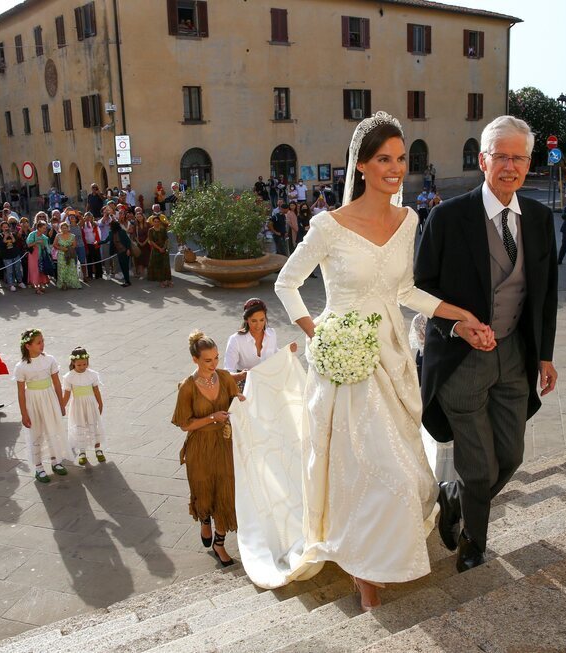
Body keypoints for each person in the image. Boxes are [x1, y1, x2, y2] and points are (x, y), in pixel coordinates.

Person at [237, 112, 491, 612]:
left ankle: (375, 558)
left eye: (401, 159)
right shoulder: (328, 226)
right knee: (367, 470)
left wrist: (460, 315)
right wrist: (318, 334)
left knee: (401, 472)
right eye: (384, 159)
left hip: (393, 356)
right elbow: (286, 283)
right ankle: (367, 578)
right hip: (344, 367)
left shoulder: (408, 220)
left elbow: (405, 290)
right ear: (362, 165)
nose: (395, 169)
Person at [415, 115, 558, 575]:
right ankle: (475, 543)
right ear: (483, 160)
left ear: (529, 162)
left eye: (519, 157)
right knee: (478, 467)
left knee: (511, 456)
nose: (510, 166)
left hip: (515, 356)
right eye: (501, 156)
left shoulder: (538, 218)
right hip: (462, 363)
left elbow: (547, 291)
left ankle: (455, 496)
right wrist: (456, 328)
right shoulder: (448, 217)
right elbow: (421, 288)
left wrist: (545, 355)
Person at [171, 331, 245, 567]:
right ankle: (204, 520)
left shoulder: (224, 378)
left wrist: (244, 402)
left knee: (225, 492)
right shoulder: (187, 387)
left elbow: (238, 402)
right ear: (195, 360)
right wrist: (212, 417)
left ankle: (219, 543)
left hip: (225, 444)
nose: (214, 364)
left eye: (216, 358)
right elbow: (185, 425)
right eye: (207, 360)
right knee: (203, 491)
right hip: (200, 447)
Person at [15, 328, 69, 483]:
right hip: (33, 400)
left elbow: (57, 383)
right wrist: (24, 413)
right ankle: (38, 466)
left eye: (43, 341)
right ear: (28, 346)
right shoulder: (22, 367)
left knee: (52, 427)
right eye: (38, 342)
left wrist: (61, 403)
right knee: (36, 432)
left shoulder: (49, 360)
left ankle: (55, 460)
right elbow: (20, 392)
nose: (42, 344)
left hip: (49, 398)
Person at [223, 297, 297, 387]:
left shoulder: (271, 334)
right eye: (254, 321)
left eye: (262, 320)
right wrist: (241, 375)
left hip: (268, 379)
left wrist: (287, 350)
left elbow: (274, 355)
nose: (258, 325)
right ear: (246, 320)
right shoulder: (235, 340)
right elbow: (227, 373)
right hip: (245, 383)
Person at [61, 347, 106, 466]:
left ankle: (98, 449)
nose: (82, 367)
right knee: (80, 426)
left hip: (91, 404)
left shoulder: (92, 375)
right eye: (79, 365)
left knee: (94, 425)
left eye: (84, 364)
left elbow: (96, 390)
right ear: (73, 363)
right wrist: (62, 407)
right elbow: (66, 394)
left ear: (87, 362)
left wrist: (100, 403)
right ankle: (82, 452)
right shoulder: (69, 377)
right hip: (77, 406)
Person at [26, 217, 52, 294]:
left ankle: (41, 285)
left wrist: (44, 247)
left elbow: (47, 248)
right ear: (39, 228)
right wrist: (36, 242)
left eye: (45, 228)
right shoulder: (32, 234)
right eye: (43, 228)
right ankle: (37, 287)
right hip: (33, 255)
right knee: (35, 270)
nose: (45, 229)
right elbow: (28, 245)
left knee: (41, 270)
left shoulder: (44, 237)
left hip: (41, 255)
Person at [147, 210, 172, 287]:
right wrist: (159, 248)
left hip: (164, 250)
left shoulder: (163, 229)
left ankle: (168, 280)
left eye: (158, 221)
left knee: (166, 266)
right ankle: (161, 281)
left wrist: (164, 247)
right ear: (153, 222)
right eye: (155, 221)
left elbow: (166, 239)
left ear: (160, 222)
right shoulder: (150, 230)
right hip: (156, 251)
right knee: (158, 266)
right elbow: (151, 241)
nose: (156, 223)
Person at [53, 222, 81, 289]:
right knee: (62, 269)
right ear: (60, 229)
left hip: (69, 254)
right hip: (61, 254)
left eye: (65, 228)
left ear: (68, 228)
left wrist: (68, 249)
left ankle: (74, 283)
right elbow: (54, 245)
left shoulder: (72, 236)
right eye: (62, 228)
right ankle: (63, 284)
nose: (64, 229)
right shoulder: (58, 236)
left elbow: (74, 245)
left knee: (71, 268)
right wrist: (61, 248)